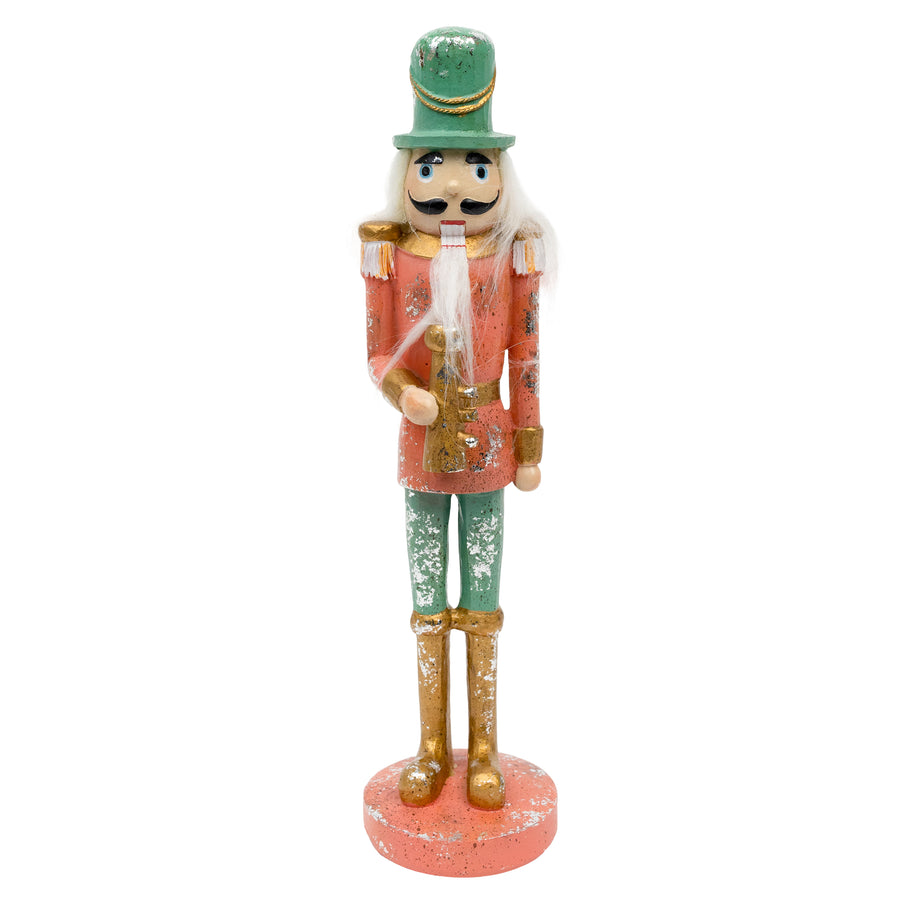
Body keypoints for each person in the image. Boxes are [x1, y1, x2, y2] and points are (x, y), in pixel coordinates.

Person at [360, 27, 553, 810]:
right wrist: (402, 393)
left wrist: (530, 443)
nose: (451, 186)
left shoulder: (511, 254)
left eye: (475, 166)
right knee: (424, 602)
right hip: (419, 448)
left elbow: (527, 353)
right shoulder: (389, 253)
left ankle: (485, 751)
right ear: (407, 168)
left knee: (483, 601)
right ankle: (431, 747)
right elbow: (378, 352)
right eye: (431, 163)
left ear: (500, 173)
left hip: (487, 446)